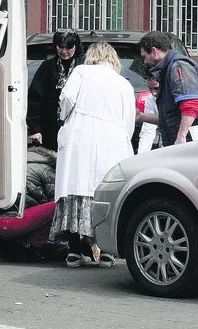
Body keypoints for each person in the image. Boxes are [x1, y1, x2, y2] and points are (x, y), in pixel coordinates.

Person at [51, 42, 135, 268]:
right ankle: (107, 253)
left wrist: (67, 119)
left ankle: (74, 250)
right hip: (113, 139)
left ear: (91, 56)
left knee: (76, 187)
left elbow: (67, 98)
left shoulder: (81, 72)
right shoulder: (123, 83)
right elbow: (129, 119)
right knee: (104, 192)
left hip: (81, 135)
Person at [139, 31, 198, 146]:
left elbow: (191, 105)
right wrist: (141, 117)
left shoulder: (179, 66)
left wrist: (181, 137)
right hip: (196, 141)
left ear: (155, 51)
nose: (145, 61)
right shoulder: (169, 69)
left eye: (145, 57)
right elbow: (170, 118)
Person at [27, 29, 84, 150]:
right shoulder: (47, 67)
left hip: (79, 130)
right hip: (50, 131)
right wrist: (35, 129)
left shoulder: (84, 68)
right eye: (60, 47)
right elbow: (34, 99)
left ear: (76, 46)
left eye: (69, 47)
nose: (64, 51)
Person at [136, 77, 161, 154]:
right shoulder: (150, 99)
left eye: (156, 88)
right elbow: (148, 131)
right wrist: (141, 156)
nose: (153, 93)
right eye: (150, 89)